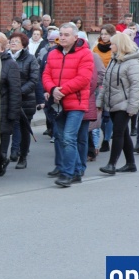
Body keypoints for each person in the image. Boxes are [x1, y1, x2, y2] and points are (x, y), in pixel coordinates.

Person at [42, 23, 94, 187]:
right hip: (58, 103)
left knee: (69, 138)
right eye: (61, 34)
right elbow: (46, 75)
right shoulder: (53, 53)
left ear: (75, 37)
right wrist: (52, 89)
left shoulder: (85, 53)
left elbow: (83, 79)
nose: (62, 38)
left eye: (66, 35)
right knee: (62, 137)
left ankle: (67, 173)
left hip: (76, 103)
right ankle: (76, 171)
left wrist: (61, 91)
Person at [97, 32, 139, 175]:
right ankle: (131, 164)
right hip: (112, 103)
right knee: (124, 133)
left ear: (120, 45)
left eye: (113, 44)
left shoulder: (133, 62)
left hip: (124, 104)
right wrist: (100, 101)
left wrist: (132, 107)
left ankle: (111, 164)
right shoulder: (114, 59)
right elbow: (106, 83)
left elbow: (136, 86)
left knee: (117, 133)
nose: (110, 46)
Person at [0, 33, 21, 179]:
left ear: (2, 48)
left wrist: (12, 114)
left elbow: (15, 91)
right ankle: (0, 161)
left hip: (3, 108)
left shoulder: (10, 64)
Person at [8, 32, 40, 169]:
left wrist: (19, 92)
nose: (13, 43)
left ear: (23, 44)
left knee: (23, 128)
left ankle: (22, 156)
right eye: (11, 40)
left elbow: (33, 79)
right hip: (7, 99)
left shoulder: (30, 59)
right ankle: (10, 152)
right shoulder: (5, 57)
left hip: (25, 100)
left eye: (16, 41)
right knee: (9, 126)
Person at [93, 24, 117, 153]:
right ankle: (101, 135)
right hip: (98, 85)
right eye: (102, 34)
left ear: (111, 35)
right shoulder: (95, 48)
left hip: (112, 84)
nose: (103, 36)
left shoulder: (115, 48)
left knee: (108, 114)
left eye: (106, 34)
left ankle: (106, 140)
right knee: (99, 114)